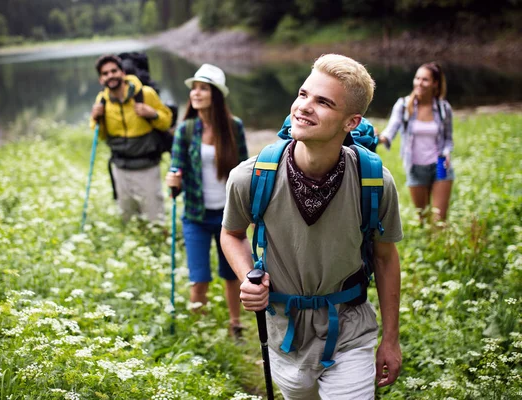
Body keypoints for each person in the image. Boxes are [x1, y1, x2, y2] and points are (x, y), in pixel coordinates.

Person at [220, 54, 403, 399]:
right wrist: (248, 277)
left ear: (351, 122)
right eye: (303, 94)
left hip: (350, 328)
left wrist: (390, 340)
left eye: (323, 102)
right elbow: (231, 233)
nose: (304, 107)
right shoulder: (251, 176)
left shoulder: (374, 182)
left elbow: (385, 258)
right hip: (283, 333)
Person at [165, 64, 248, 337]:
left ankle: (235, 324)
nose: (196, 93)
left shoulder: (234, 128)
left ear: (216, 94)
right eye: (194, 89)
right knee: (199, 277)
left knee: (231, 274)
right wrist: (173, 181)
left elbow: (246, 170)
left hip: (228, 216)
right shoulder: (186, 130)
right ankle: (199, 331)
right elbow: (175, 169)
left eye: (203, 88)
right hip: (196, 217)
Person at [90, 54, 173, 221]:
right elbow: (100, 136)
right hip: (120, 168)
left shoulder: (145, 94)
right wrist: (95, 118)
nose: (110, 76)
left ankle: (157, 242)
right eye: (105, 73)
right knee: (128, 217)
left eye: (114, 71)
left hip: (147, 167)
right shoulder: (102, 101)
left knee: (154, 217)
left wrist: (152, 114)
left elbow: (167, 121)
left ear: (122, 73)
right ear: (100, 79)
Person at [378, 61, 454, 221]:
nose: (419, 83)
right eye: (417, 78)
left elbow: (448, 139)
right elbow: (390, 131)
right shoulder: (404, 105)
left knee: (439, 219)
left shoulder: (443, 108)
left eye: (425, 79)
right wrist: (378, 138)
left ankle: (439, 244)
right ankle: (428, 243)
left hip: (440, 165)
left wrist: (446, 153)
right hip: (414, 167)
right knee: (423, 218)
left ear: (435, 83)